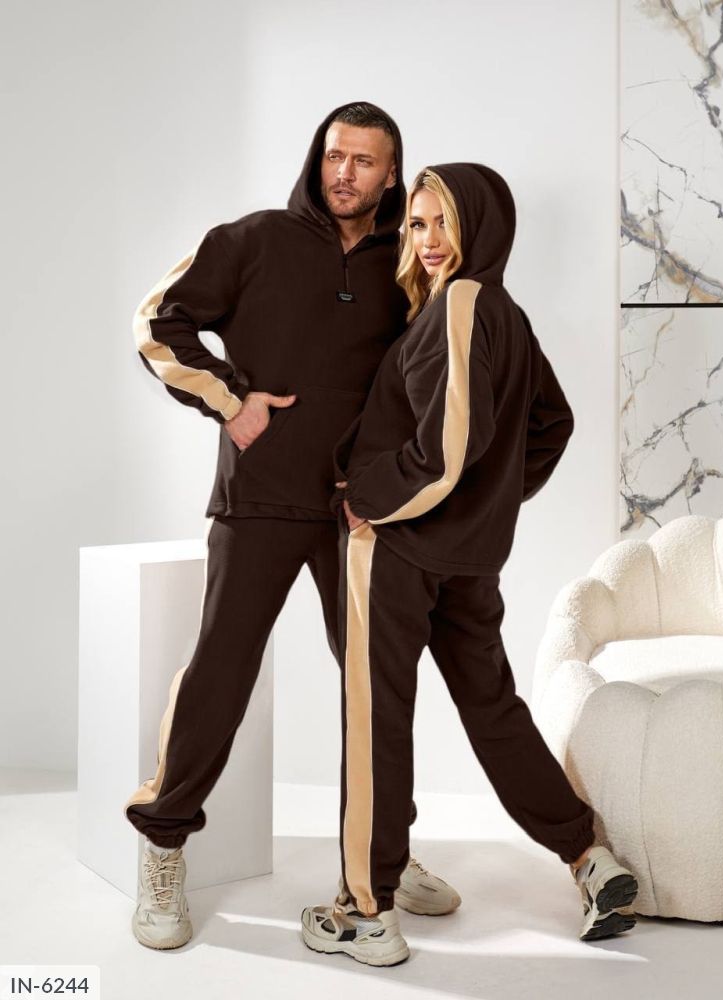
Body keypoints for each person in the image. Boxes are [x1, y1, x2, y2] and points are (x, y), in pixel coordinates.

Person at [123, 103, 461, 951]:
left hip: (361, 512)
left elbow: (436, 368)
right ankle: (163, 845)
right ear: (318, 158)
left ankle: (381, 858)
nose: (344, 172)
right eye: (334, 155)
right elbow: (156, 322)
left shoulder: (407, 260)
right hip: (261, 500)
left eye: (364, 161)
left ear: (392, 173)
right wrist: (230, 400)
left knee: (377, 684)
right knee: (220, 674)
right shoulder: (254, 239)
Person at [300, 164, 639, 967]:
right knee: (493, 709)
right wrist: (489, 504)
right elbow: (551, 422)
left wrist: (368, 498)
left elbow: (445, 452)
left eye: (444, 222)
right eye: (417, 224)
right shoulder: (506, 314)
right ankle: (590, 857)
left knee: (376, 719)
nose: (427, 242)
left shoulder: (461, 303)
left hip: (398, 551)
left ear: (482, 226)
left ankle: (367, 911)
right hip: (467, 560)